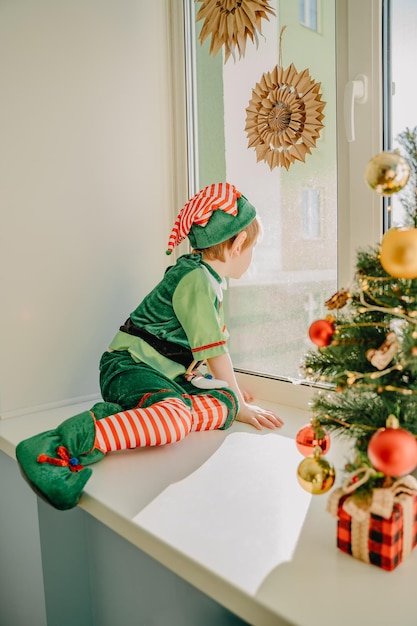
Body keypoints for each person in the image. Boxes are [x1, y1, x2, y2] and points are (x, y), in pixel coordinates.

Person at [16, 182, 283, 510]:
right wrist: (239, 404)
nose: (251, 257)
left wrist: (231, 394)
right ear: (239, 243)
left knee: (222, 400)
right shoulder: (197, 281)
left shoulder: (204, 277)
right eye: (253, 247)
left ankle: (130, 417)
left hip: (157, 375)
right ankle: (61, 444)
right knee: (176, 421)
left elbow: (192, 358)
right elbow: (215, 352)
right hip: (127, 367)